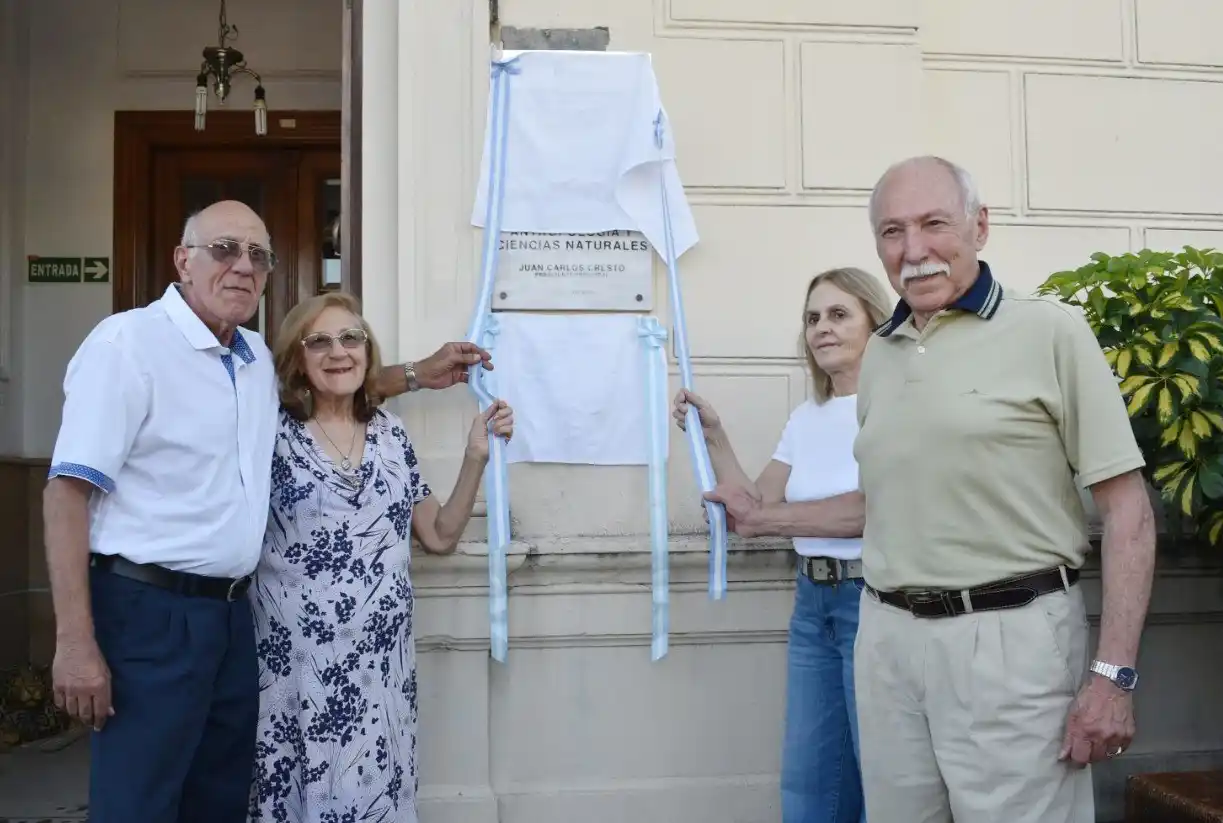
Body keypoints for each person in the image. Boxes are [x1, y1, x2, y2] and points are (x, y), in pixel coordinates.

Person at [42, 199, 494, 823]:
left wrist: (417, 374)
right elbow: (66, 492)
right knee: (138, 800)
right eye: (224, 249)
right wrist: (73, 642)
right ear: (183, 259)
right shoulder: (128, 344)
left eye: (258, 255)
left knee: (218, 798)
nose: (242, 266)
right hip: (150, 611)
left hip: (235, 621)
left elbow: (335, 385)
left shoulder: (252, 359)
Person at [851, 156, 1157, 823]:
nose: (913, 249)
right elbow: (884, 502)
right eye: (891, 231)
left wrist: (1112, 676)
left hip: (1009, 643)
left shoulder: (1050, 330)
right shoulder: (878, 352)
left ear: (979, 226)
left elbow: (1127, 509)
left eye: (934, 223)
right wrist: (763, 514)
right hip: (885, 642)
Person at [248, 292, 514, 822]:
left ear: (368, 352)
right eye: (318, 341)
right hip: (297, 670)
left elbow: (438, 536)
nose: (337, 352)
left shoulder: (392, 436)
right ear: (296, 358)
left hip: (380, 672)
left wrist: (475, 457)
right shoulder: (267, 433)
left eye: (351, 338)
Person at [674, 266, 890, 823]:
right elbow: (757, 500)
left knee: (883, 773)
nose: (822, 328)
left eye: (840, 314)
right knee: (811, 776)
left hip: (874, 602)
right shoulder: (807, 416)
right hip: (811, 606)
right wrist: (714, 435)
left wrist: (762, 520)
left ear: (877, 322)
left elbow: (872, 512)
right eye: (813, 317)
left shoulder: (894, 409)